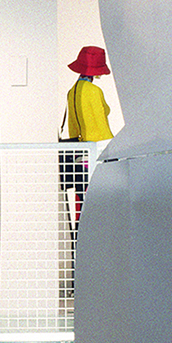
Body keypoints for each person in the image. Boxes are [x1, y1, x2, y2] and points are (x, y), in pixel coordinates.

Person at [58, 45, 114, 302]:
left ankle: (82, 275)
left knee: (82, 212)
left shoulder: (72, 92)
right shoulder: (95, 91)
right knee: (101, 213)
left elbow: (73, 124)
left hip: (79, 155)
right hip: (97, 154)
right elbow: (105, 114)